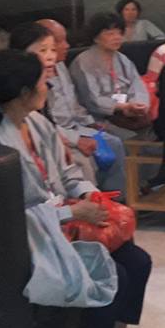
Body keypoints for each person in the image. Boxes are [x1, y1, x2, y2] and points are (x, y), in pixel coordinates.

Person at [0, 50, 158, 328]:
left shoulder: (38, 123)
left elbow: (68, 174)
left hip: (63, 222)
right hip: (33, 239)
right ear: (24, 92)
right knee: (112, 270)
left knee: (138, 260)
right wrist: (71, 213)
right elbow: (8, 217)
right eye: (43, 81)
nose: (49, 86)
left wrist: (89, 195)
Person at [36, 18, 128, 197]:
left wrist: (90, 122)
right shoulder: (36, 79)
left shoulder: (61, 67)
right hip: (60, 133)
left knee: (114, 142)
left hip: (76, 126)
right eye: (57, 43)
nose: (66, 46)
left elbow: (74, 104)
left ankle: (118, 199)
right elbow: (46, 124)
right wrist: (75, 140)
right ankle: (92, 202)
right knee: (85, 160)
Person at [70, 12, 151, 138]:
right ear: (96, 37)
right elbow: (91, 99)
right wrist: (122, 107)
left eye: (119, 33)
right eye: (110, 34)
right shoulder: (83, 62)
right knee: (129, 137)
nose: (117, 37)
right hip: (97, 117)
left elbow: (137, 86)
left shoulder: (123, 59)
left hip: (127, 113)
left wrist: (138, 105)